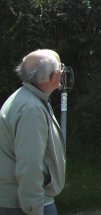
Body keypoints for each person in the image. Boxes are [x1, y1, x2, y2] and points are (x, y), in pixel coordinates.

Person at [0, 49, 66, 215]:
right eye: (60, 68)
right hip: (27, 205)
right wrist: (34, 209)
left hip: (21, 201)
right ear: (54, 76)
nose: (62, 72)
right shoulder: (32, 109)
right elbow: (30, 165)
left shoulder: (28, 99)